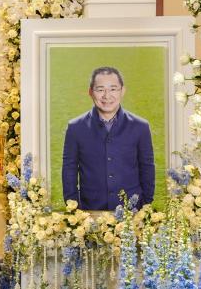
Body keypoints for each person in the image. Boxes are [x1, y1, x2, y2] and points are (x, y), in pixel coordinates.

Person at [61, 66, 154, 210]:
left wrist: (146, 203)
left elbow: (147, 167)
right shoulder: (75, 128)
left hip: (131, 210)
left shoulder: (140, 126)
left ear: (122, 91)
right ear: (90, 92)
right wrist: (74, 206)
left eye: (113, 89)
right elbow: (69, 169)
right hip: (90, 210)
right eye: (100, 89)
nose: (106, 95)